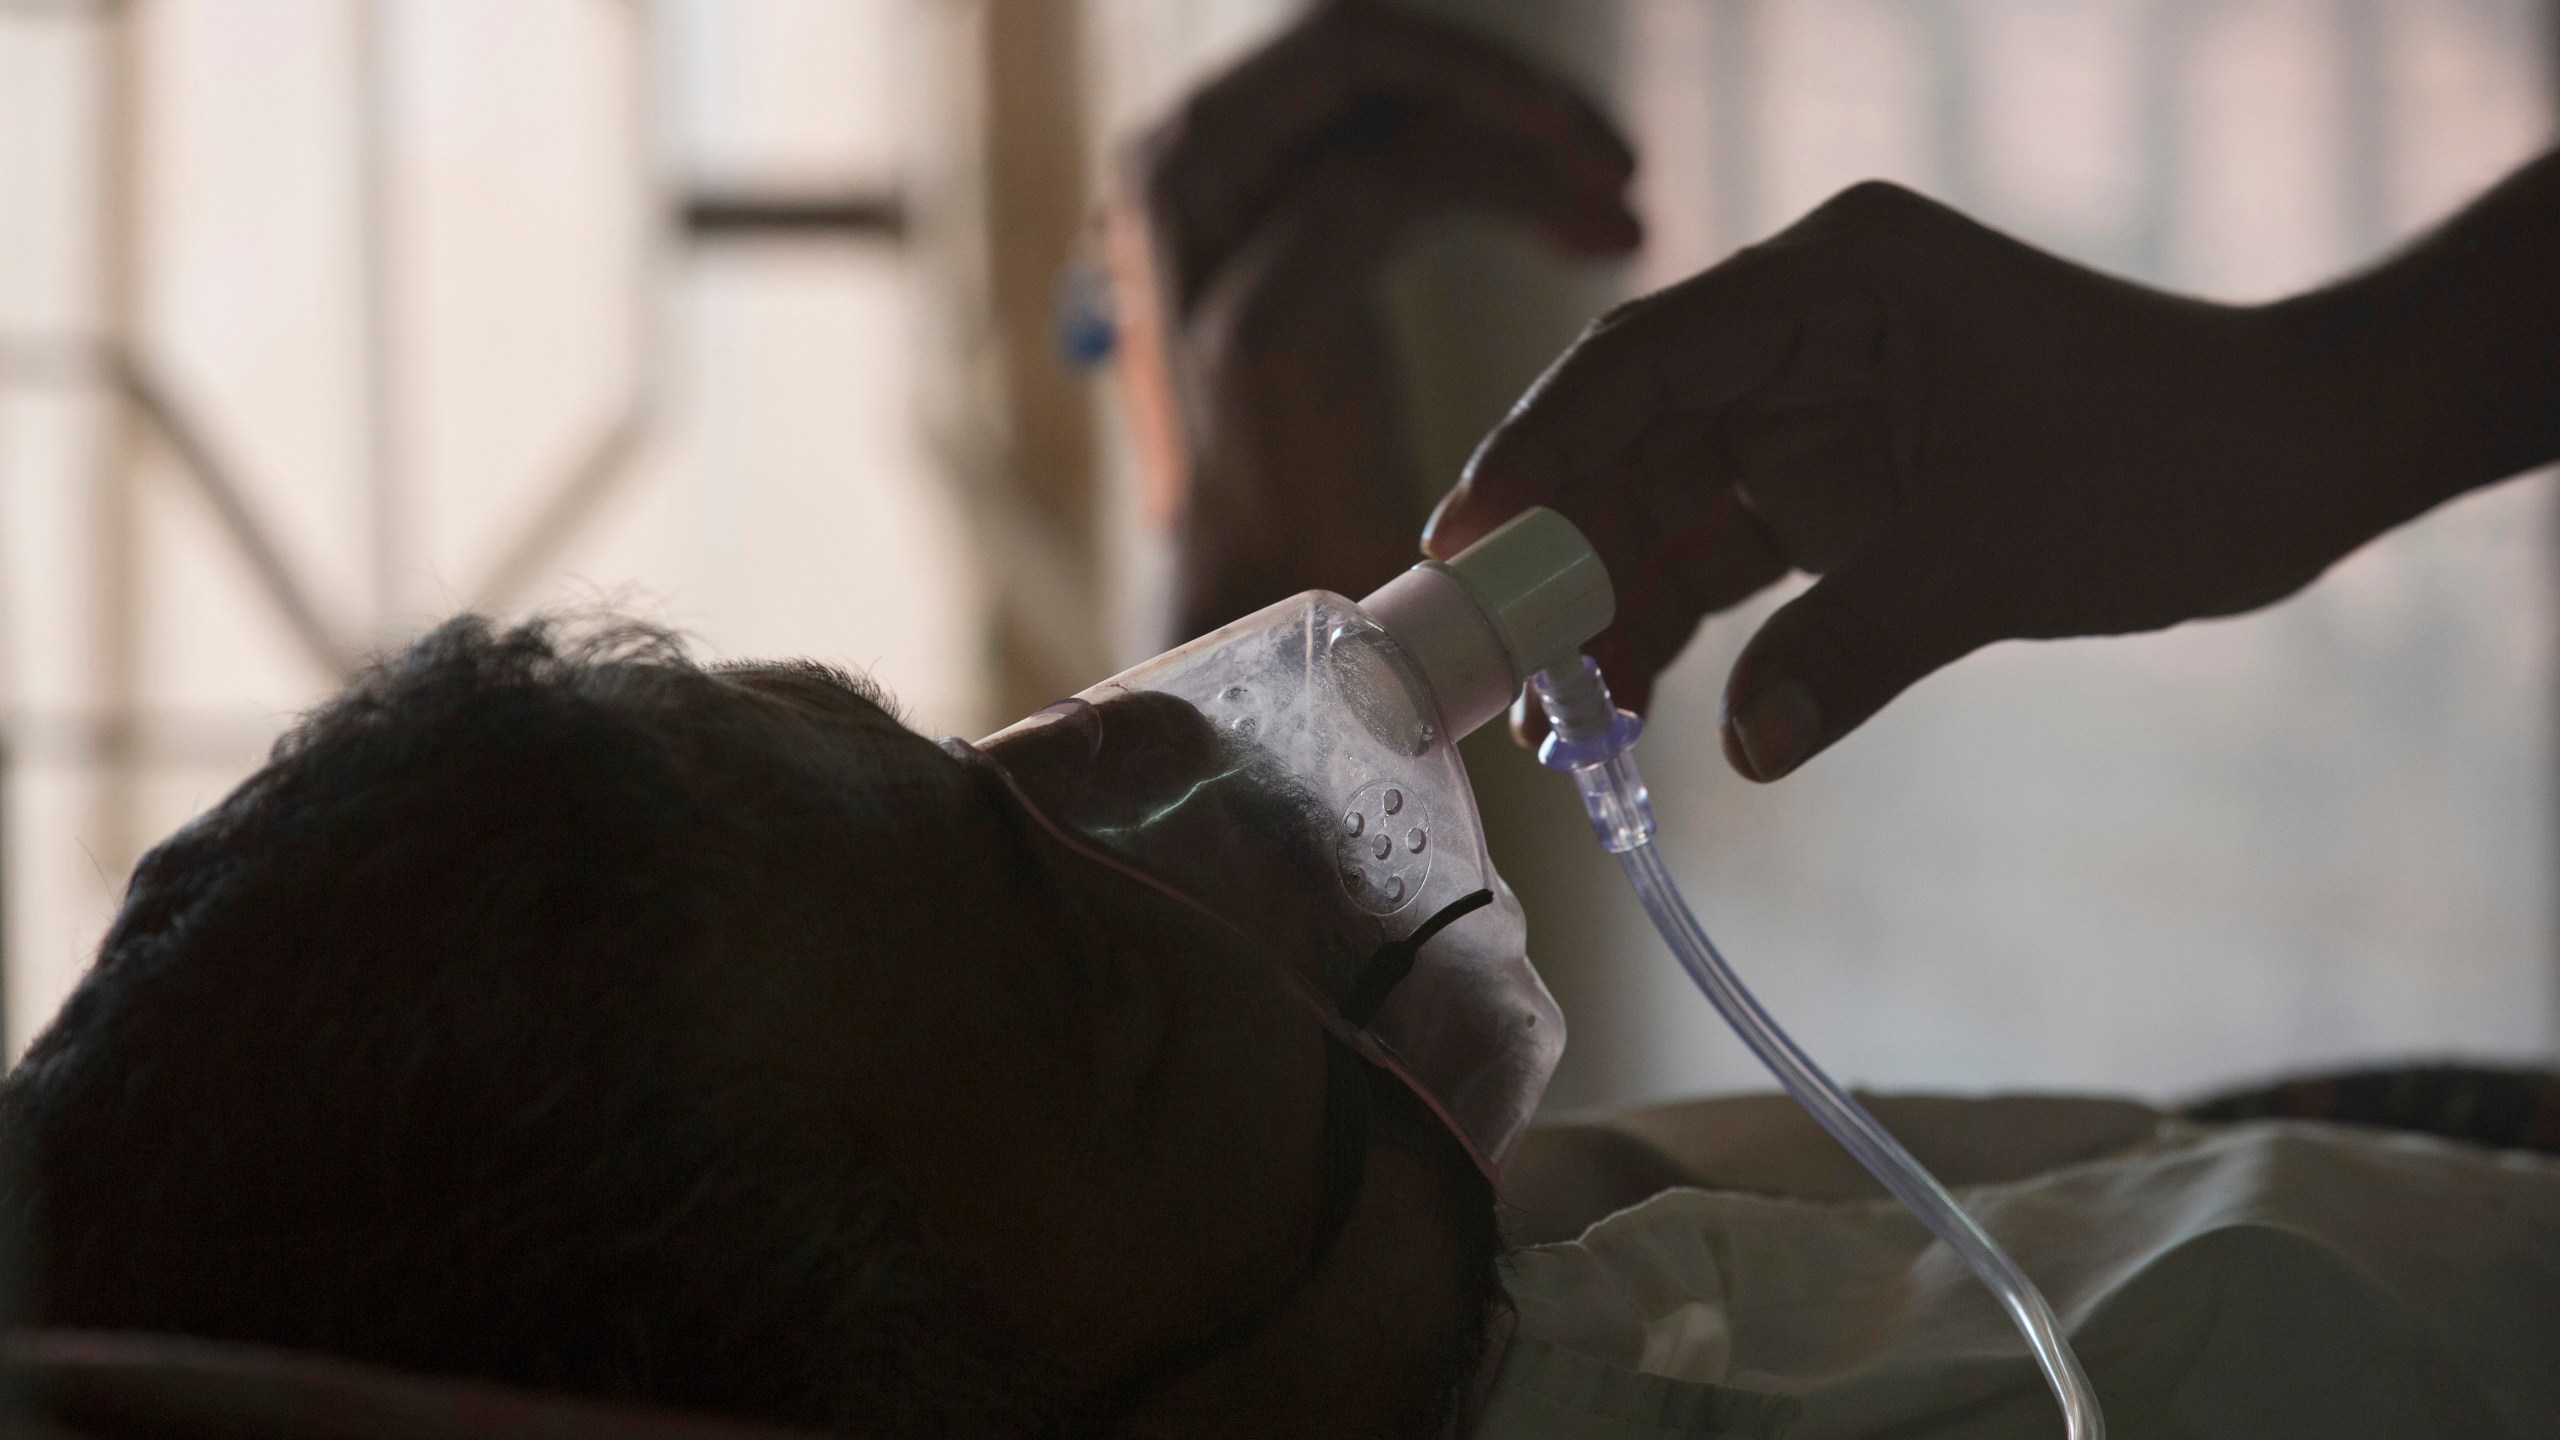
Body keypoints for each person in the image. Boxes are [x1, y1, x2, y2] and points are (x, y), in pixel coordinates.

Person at [4, 7, 2558, 1440]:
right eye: (1093, 989)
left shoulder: (1426, 1293)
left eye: (1011, 775)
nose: (1245, 787)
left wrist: (1230, 517)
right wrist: (2352, 402)